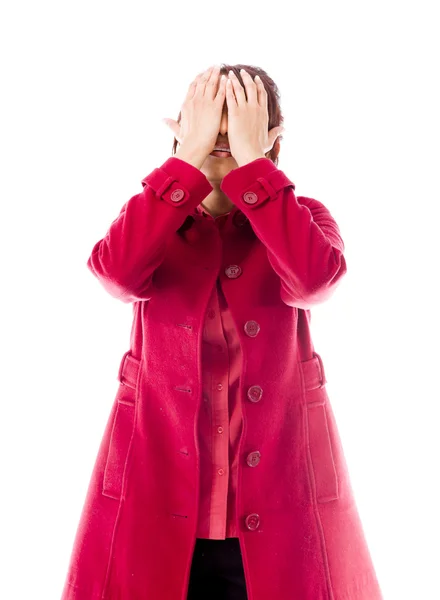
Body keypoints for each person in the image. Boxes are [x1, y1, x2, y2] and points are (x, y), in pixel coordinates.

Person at [60, 64, 383, 600]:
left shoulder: (302, 218)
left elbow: (315, 280)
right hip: (156, 496)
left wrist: (256, 166)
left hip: (280, 502)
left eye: (242, 130)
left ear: (272, 140)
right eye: (211, 126)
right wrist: (184, 160)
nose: (222, 141)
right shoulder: (153, 218)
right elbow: (114, 273)